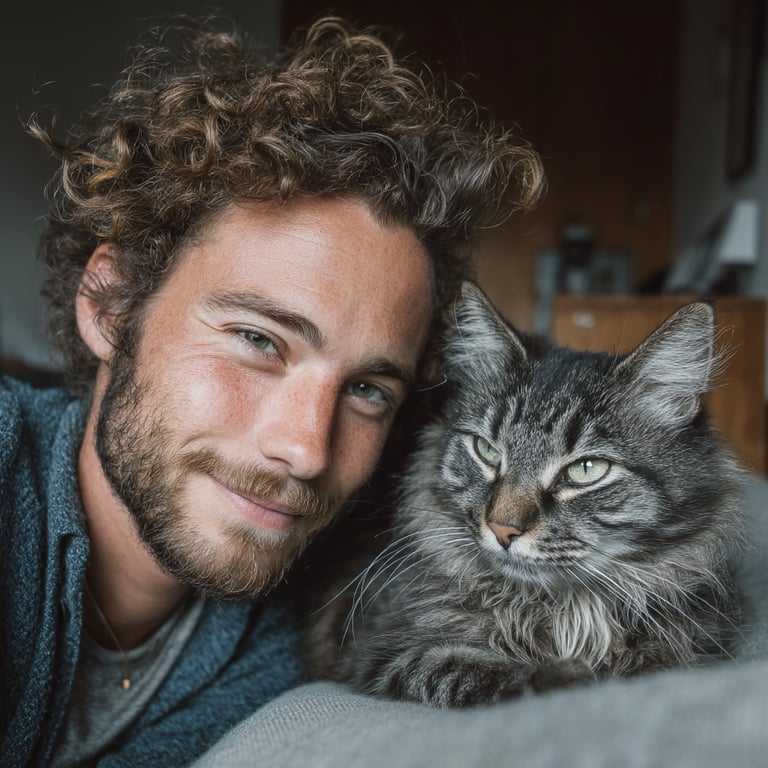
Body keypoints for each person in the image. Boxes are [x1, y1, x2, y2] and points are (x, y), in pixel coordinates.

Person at [0, 14, 543, 767]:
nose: (305, 449)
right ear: (111, 306)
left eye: (366, 390)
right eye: (259, 341)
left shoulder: (321, 617)